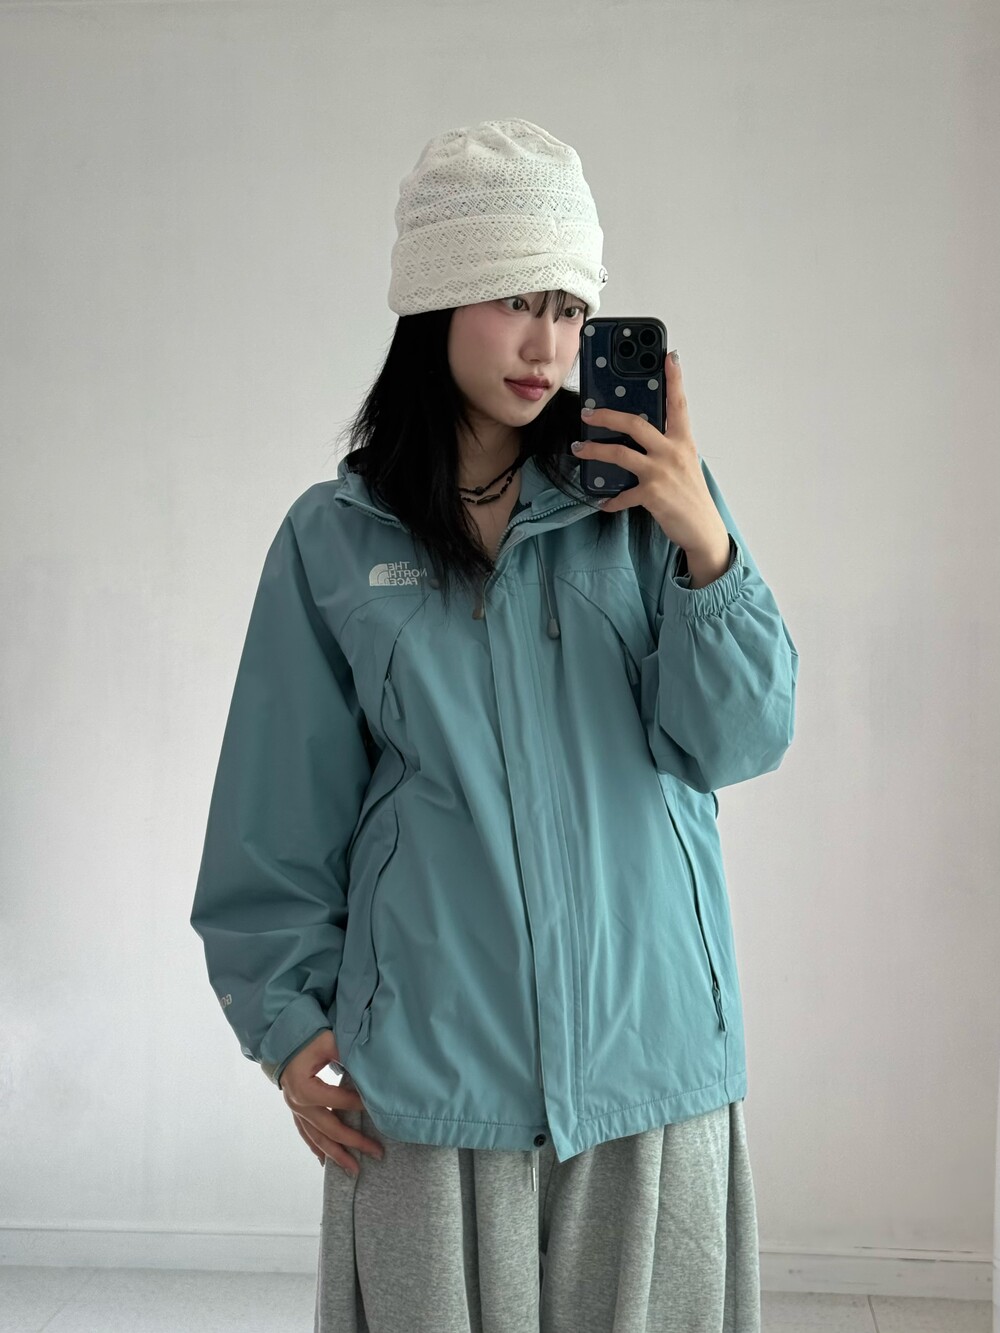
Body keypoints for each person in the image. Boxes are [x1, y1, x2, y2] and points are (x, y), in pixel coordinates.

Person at [190, 118, 799, 1333]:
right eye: (516, 299)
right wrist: (285, 1023)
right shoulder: (335, 538)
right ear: (436, 298)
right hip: (429, 1068)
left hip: (647, 1055)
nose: (547, 345)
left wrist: (704, 543)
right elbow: (277, 806)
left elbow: (738, 742)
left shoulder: (649, 505)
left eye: (569, 309)